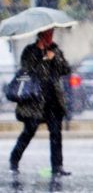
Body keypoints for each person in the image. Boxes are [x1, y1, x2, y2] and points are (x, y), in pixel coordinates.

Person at [9, 28, 72, 176]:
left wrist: (54, 58)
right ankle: (14, 158)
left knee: (56, 133)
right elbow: (27, 70)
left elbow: (65, 69)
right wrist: (42, 58)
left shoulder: (55, 49)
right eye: (47, 34)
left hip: (53, 99)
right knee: (29, 131)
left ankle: (57, 166)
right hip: (35, 99)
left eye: (52, 33)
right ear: (40, 34)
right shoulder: (30, 51)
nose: (50, 37)